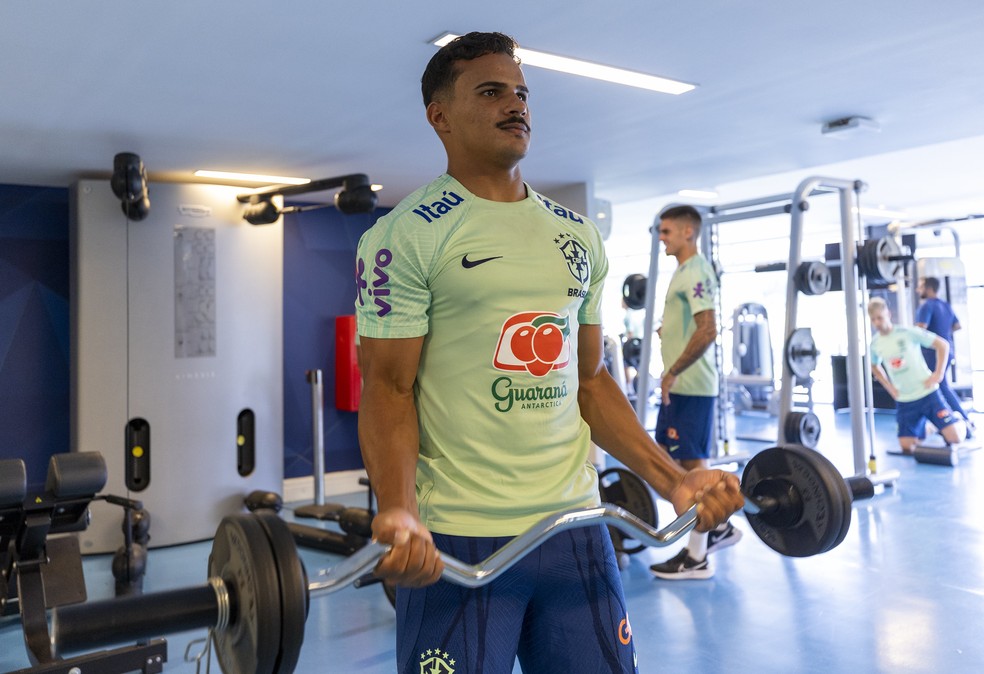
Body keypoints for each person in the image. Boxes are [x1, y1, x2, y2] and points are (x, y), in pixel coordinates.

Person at [355, 32, 744, 674]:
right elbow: (389, 390)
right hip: (461, 539)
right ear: (440, 115)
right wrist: (400, 509)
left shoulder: (576, 235)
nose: (516, 105)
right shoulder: (406, 237)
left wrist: (675, 481)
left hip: (576, 528)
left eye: (521, 92)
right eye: (491, 91)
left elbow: (589, 381)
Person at [648, 205, 742, 581]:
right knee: (676, 464)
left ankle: (699, 553)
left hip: (691, 387)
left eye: (667, 231)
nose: (662, 238)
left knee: (694, 472)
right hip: (682, 388)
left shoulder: (698, 269)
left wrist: (672, 371)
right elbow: (692, 325)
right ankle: (712, 533)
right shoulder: (684, 272)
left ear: (689, 232)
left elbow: (707, 329)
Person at [867, 297, 965, 453]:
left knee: (954, 439)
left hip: (927, 392)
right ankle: (929, 427)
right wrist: (890, 387)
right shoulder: (875, 344)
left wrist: (938, 374)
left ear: (888, 314)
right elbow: (874, 365)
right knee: (907, 447)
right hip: (905, 399)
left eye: (880, 318)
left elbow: (942, 345)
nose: (877, 323)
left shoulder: (908, 332)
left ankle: (958, 420)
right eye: (874, 320)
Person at [914, 276, 973, 434]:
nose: (917, 290)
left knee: (939, 387)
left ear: (928, 288)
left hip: (932, 354)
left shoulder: (926, 306)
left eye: (920, 286)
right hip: (947, 352)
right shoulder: (945, 305)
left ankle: (964, 420)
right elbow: (957, 326)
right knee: (941, 386)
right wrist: (942, 334)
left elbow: (920, 331)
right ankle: (955, 420)